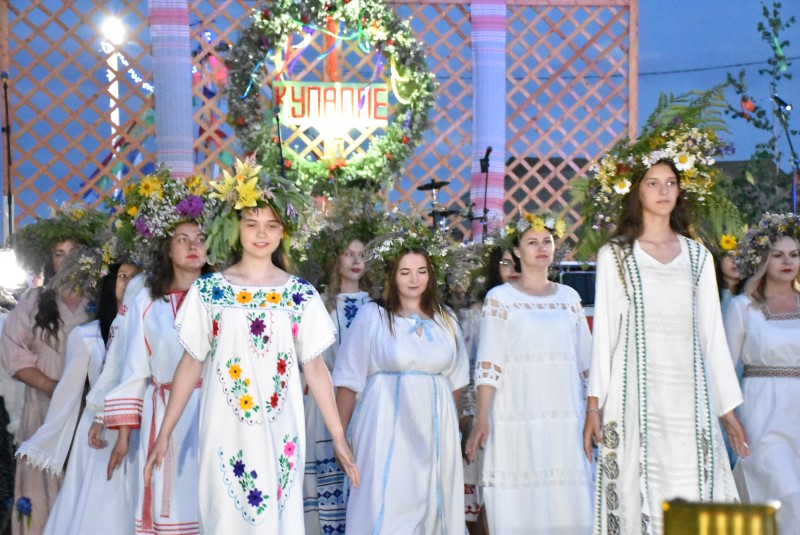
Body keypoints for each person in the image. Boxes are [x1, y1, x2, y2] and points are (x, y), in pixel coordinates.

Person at [144, 158, 358, 533]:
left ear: (283, 232)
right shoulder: (210, 291)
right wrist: (164, 433)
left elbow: (316, 368)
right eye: (251, 223)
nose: (262, 234)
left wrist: (338, 437)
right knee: (224, 518)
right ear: (234, 227)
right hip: (224, 428)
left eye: (272, 225)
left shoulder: (299, 294)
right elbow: (190, 364)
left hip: (281, 428)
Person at [581, 155, 748, 534]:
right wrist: (593, 407)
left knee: (691, 486)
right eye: (653, 183)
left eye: (670, 182)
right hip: (633, 396)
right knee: (636, 489)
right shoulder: (616, 255)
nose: (663, 191)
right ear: (637, 192)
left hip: (689, 400)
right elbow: (604, 335)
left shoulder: (698, 256)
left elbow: (712, 337)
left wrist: (727, 410)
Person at [334, 220, 469, 534]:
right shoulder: (373, 316)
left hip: (435, 429)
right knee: (386, 504)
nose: (414, 279)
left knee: (433, 506)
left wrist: (453, 432)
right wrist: (340, 437)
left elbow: (456, 383)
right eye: (405, 272)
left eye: (421, 271)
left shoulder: (446, 318)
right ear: (392, 276)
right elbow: (348, 381)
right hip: (385, 426)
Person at [465, 213, 593, 534]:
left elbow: (587, 364)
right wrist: (482, 418)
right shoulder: (500, 298)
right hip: (516, 414)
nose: (541, 248)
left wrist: (594, 411)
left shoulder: (569, 298)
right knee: (521, 499)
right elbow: (489, 365)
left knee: (567, 496)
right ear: (517, 252)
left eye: (547, 241)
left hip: (565, 417)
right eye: (532, 242)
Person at [102, 168, 215, 535]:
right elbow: (134, 369)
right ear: (167, 249)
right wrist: (123, 437)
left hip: (215, 410)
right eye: (183, 239)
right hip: (166, 412)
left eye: (200, 238)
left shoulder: (224, 297)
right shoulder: (148, 303)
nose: (193, 245)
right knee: (174, 507)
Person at [16, 250, 138, 535]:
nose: (128, 283)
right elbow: (68, 393)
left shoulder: (150, 329)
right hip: (99, 434)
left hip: (138, 425)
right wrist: (42, 441)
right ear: (110, 284)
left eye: (135, 277)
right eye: (122, 276)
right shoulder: (87, 336)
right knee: (100, 508)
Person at [0, 207, 105, 535]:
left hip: (89, 412)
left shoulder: (101, 301)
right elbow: (12, 353)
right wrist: (54, 388)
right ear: (49, 260)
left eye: (74, 253)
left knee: (85, 486)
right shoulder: (33, 300)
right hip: (43, 410)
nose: (67, 261)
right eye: (60, 254)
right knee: (40, 487)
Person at [724, 213, 800, 529]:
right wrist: (729, 417)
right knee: (789, 495)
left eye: (794, 254)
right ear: (763, 259)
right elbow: (722, 368)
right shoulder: (743, 307)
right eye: (778, 254)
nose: (788, 261)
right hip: (761, 415)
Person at [304, 234, 372, 535]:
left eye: (361, 255)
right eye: (348, 253)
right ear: (336, 260)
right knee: (327, 476)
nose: (356, 261)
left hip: (366, 399)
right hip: (326, 398)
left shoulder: (376, 306)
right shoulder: (320, 304)